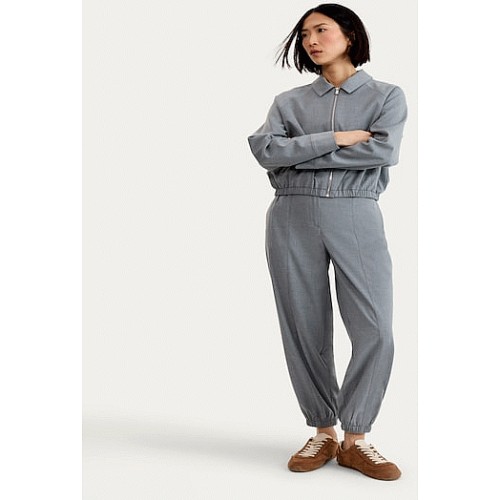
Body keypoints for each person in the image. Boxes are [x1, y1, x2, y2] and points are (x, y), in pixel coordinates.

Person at [247, 3, 408, 481]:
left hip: (356, 212)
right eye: (304, 34)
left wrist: (298, 154)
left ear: (350, 35)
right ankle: (323, 430)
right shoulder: (289, 101)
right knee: (304, 325)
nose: (311, 40)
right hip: (290, 214)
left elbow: (382, 151)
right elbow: (265, 150)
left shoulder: (386, 95)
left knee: (375, 327)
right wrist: (336, 138)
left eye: (321, 30)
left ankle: (356, 438)